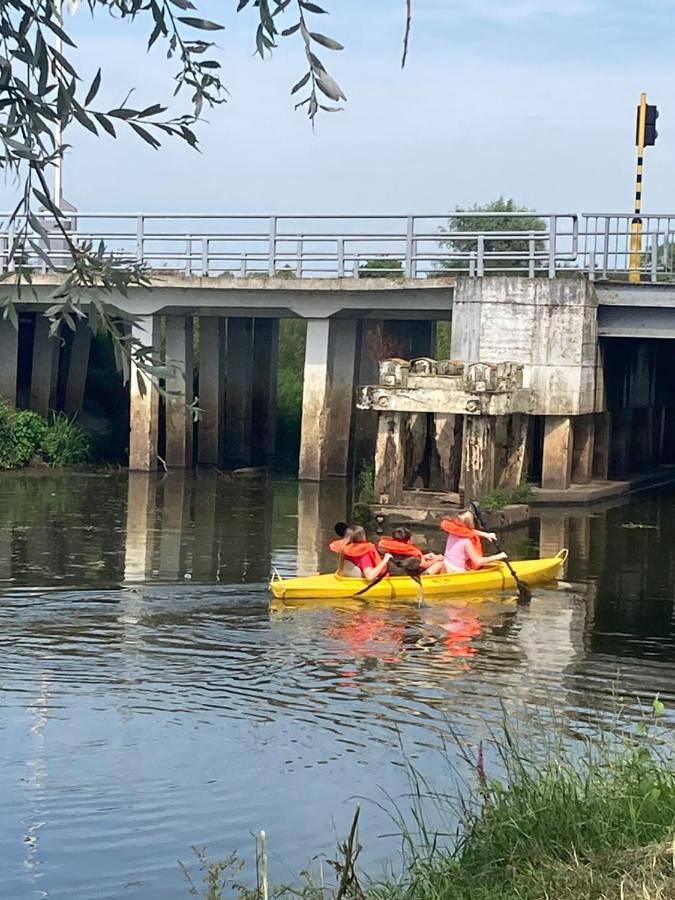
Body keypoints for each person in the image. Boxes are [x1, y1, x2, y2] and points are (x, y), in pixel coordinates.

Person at [440, 510, 507, 573]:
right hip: (456, 571)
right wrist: (498, 556)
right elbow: (477, 561)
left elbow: (465, 531)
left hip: (447, 564)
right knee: (438, 564)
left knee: (438, 564)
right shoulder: (467, 542)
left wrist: (486, 534)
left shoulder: (452, 532)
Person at [378, 527, 446, 576]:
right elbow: (424, 565)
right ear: (408, 541)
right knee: (440, 564)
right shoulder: (413, 553)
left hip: (393, 574)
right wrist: (437, 559)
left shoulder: (386, 548)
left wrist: (425, 556)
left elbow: (402, 557)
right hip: (408, 577)